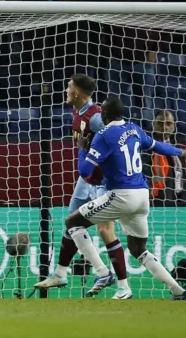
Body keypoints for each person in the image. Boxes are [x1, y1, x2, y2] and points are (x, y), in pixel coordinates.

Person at [67, 97, 186, 300]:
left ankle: (103, 273)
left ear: (104, 115)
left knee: (72, 222)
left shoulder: (104, 135)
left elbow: (85, 170)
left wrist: (82, 148)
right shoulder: (134, 129)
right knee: (138, 248)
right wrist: (180, 151)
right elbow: (158, 146)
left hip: (121, 196)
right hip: (143, 196)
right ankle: (178, 291)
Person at [34, 75, 131, 299]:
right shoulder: (77, 111)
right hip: (84, 181)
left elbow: (119, 139)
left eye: (68, 87)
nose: (66, 90)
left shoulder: (96, 117)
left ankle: (120, 285)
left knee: (105, 231)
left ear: (77, 93)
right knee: (71, 223)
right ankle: (60, 274)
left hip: (102, 182)